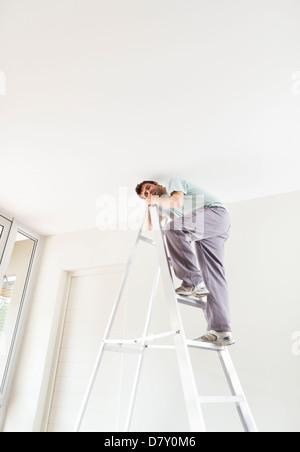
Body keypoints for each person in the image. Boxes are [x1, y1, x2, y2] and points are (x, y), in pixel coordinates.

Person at [135, 178, 235, 347]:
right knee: (213, 277)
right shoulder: (162, 204)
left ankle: (192, 282)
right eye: (145, 194)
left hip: (214, 214)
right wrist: (150, 205)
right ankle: (221, 331)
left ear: (157, 184)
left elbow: (177, 201)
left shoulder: (173, 183)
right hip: (208, 230)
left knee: (173, 228)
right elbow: (152, 227)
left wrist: (155, 199)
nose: (148, 192)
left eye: (149, 188)